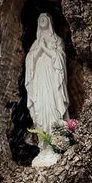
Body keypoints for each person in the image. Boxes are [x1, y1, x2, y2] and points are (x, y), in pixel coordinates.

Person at [24, 12, 69, 167]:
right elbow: (30, 63)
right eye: (39, 19)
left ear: (50, 22)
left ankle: (57, 144)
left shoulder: (57, 41)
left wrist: (47, 50)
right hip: (39, 84)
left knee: (53, 111)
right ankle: (44, 145)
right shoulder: (35, 45)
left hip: (52, 84)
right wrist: (38, 51)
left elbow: (60, 60)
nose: (42, 20)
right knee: (41, 113)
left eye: (45, 18)